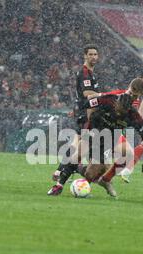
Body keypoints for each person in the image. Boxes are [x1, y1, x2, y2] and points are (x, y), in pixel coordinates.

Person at [47, 78, 143, 197]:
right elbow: (86, 103)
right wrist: (86, 119)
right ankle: (59, 185)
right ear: (116, 103)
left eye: (121, 113)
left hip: (109, 140)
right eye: (117, 109)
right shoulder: (109, 100)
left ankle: (78, 170)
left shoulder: (133, 115)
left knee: (92, 173)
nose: (118, 113)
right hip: (95, 128)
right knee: (79, 153)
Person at [51, 44, 100, 182]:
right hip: (86, 113)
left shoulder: (90, 73)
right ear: (85, 56)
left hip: (83, 110)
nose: (93, 57)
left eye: (95, 54)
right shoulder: (85, 72)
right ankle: (70, 172)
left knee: (77, 142)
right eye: (90, 54)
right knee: (83, 145)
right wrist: (105, 96)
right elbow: (86, 93)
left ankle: (59, 170)